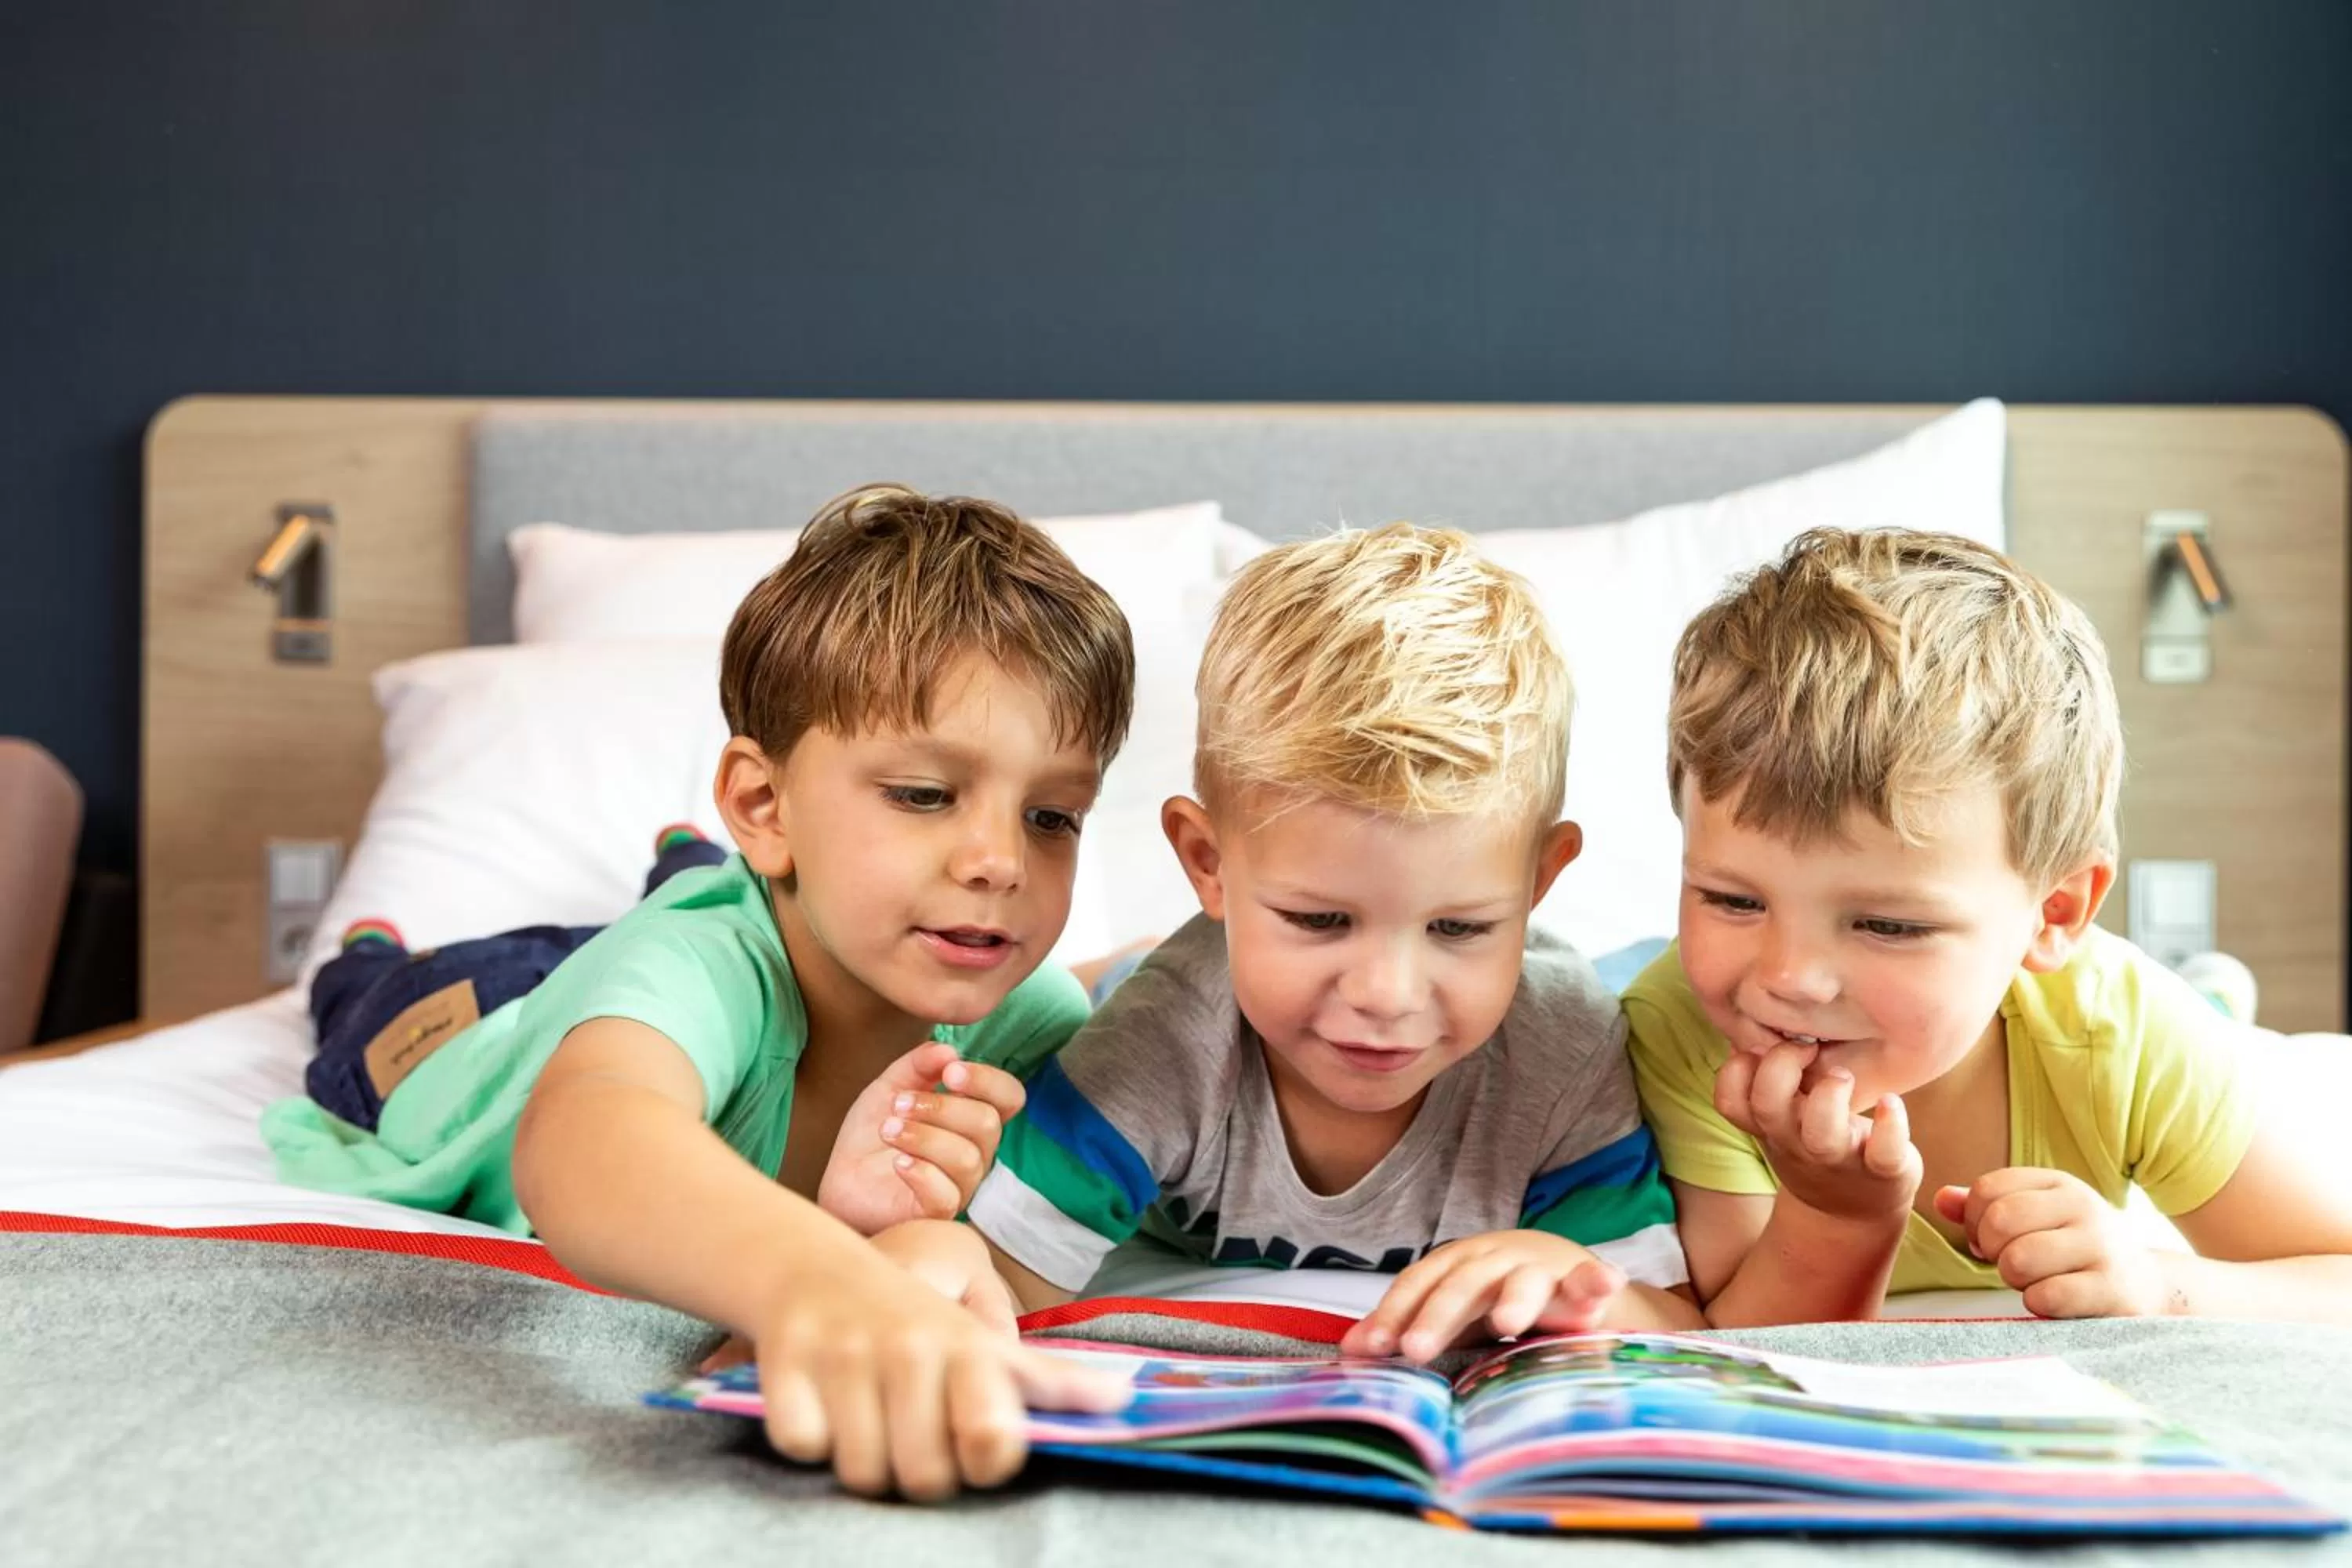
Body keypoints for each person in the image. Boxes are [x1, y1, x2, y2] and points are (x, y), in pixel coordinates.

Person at [264, 485, 1138, 1497]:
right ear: (764, 804)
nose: (999, 861)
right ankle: (372, 957)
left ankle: (683, 864)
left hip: (708, 927)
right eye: (924, 795)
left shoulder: (1029, 1029)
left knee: (688, 910)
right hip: (480, 1014)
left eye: (1052, 816)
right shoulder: (697, 970)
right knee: (372, 999)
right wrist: (827, 1284)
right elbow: (590, 1133)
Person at [964, 523, 1706, 1363]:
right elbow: (994, 1281)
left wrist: (1567, 1270)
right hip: (1169, 984)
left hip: (1547, 993)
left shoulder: (1563, 1050)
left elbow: (1676, 1316)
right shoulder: (1161, 1042)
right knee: (1065, 999)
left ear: (1541, 880)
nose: (1386, 993)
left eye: (1459, 926)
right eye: (1320, 920)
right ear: (1207, 862)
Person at [1625, 526, 2352, 1324]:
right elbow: (1734, 1337)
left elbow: (2334, 1277)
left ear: (2054, 912)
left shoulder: (2120, 1029)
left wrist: (2162, 1284)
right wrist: (1839, 1211)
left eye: (1885, 924)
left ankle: (2216, 1003)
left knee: (2207, 1033)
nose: (1788, 974)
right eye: (1734, 900)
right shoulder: (1682, 1029)